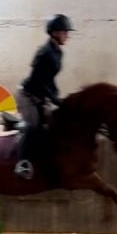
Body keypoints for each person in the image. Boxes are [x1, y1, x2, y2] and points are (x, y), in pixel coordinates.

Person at [14, 14, 75, 179]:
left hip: (40, 95)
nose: (67, 36)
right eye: (64, 32)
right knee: (33, 125)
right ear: (54, 32)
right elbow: (38, 81)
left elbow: (50, 80)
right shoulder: (44, 53)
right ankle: (23, 163)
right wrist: (54, 99)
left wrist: (58, 98)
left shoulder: (58, 52)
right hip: (27, 95)